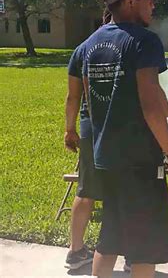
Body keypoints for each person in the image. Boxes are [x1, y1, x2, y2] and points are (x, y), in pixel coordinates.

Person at [82, 0, 168, 278]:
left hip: (107, 159)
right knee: (144, 245)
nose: (153, 3)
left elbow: (93, 102)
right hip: (139, 162)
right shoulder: (144, 41)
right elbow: (151, 106)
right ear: (129, 1)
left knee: (110, 237)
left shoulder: (90, 45)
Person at [64, 40, 103, 270]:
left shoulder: (81, 49)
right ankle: (131, 256)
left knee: (86, 189)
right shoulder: (128, 41)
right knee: (122, 189)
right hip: (116, 127)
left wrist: (70, 129)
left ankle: (76, 251)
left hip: (88, 126)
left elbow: (72, 97)